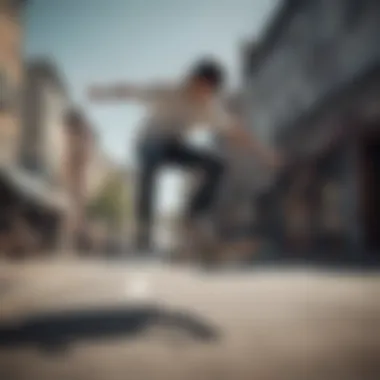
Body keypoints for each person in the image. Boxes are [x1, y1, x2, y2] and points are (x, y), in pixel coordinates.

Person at [87, 58, 283, 253]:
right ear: (191, 80)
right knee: (152, 155)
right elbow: (129, 91)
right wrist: (102, 93)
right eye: (198, 87)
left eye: (207, 91)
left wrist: (265, 154)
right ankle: (144, 225)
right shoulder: (167, 90)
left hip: (174, 147)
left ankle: (194, 217)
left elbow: (237, 133)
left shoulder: (208, 108)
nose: (201, 94)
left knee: (216, 164)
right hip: (148, 142)